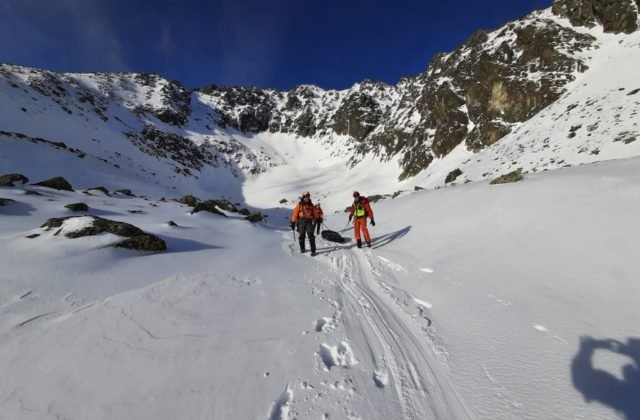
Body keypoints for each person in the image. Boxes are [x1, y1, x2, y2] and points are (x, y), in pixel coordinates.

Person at [291, 191, 317, 256]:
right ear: (303, 197)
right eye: (305, 197)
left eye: (308, 197)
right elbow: (295, 213)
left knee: (311, 235)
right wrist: (293, 222)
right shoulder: (299, 205)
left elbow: (315, 213)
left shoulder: (311, 205)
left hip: (309, 222)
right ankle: (302, 248)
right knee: (302, 235)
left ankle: (313, 250)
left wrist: (318, 218)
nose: (307, 198)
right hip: (301, 222)